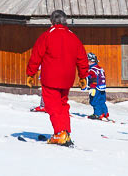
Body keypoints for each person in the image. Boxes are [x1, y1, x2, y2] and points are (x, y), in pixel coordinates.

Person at [25, 10, 89, 146]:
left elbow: (36, 55)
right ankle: (65, 132)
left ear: (52, 21)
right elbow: (82, 58)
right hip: (67, 78)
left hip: (51, 77)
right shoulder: (73, 37)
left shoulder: (47, 36)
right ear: (65, 21)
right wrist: (83, 76)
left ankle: (60, 133)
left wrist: (31, 73)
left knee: (52, 106)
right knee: (63, 105)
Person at [84, 52, 109, 120]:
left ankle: (97, 114)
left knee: (94, 101)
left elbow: (93, 79)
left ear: (90, 61)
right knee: (101, 100)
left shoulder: (92, 70)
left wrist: (92, 87)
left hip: (95, 88)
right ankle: (105, 113)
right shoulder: (100, 68)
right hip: (102, 87)